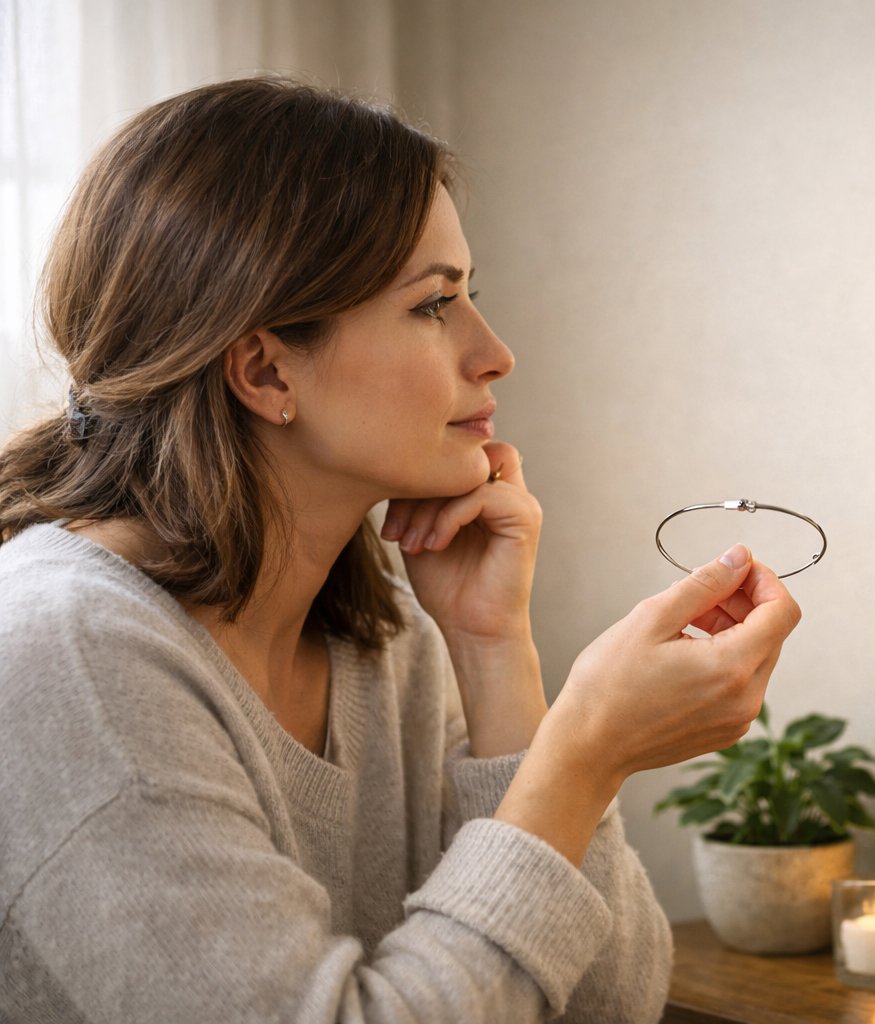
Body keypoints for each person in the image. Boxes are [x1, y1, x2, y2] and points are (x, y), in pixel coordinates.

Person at [0, 76, 800, 1023]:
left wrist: (496, 652)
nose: (494, 351)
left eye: (472, 297)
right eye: (433, 306)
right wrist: (584, 755)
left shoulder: (383, 645)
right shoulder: (66, 654)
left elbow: (609, 1005)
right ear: (264, 369)